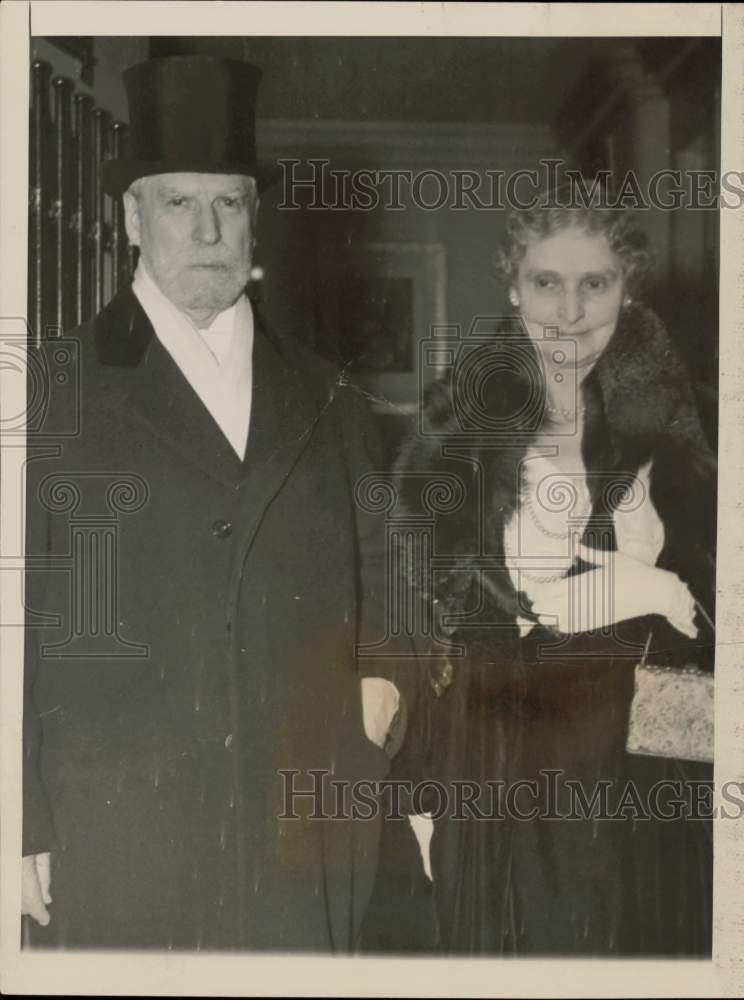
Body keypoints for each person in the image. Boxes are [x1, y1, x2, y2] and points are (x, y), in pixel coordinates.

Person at [21, 55, 415, 951]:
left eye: (228, 204)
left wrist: (384, 685)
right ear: (130, 217)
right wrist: (18, 817)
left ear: (252, 217)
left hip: (302, 835)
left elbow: (389, 565)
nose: (206, 229)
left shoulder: (330, 398)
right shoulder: (51, 390)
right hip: (118, 834)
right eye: (176, 203)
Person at [393, 186, 716, 954]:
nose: (569, 311)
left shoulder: (676, 411)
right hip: (495, 756)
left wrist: (665, 593)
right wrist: (419, 780)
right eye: (546, 283)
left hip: (630, 760)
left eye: (594, 284)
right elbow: (441, 602)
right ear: (512, 287)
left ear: (626, 288)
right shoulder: (461, 421)